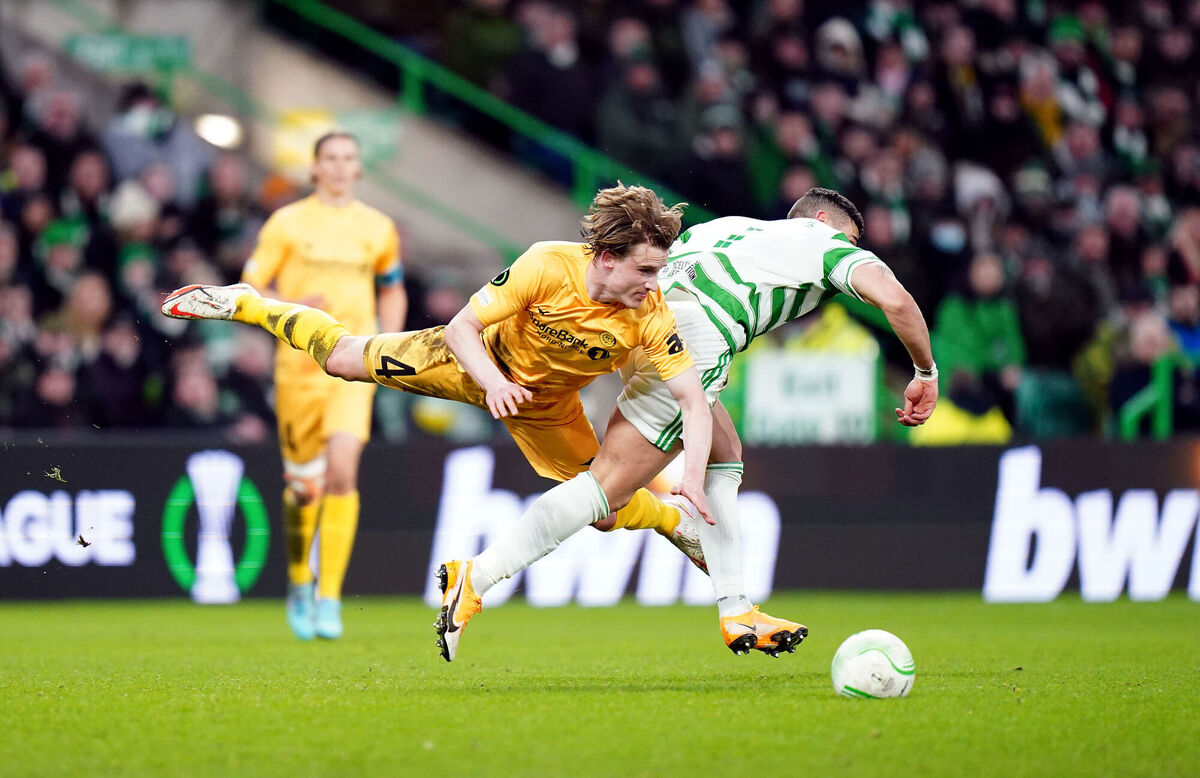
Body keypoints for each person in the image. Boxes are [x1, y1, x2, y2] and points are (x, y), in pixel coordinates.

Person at [160, 184, 717, 636]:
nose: (654, 283)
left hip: (545, 409)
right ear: (605, 258)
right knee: (339, 358)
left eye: (658, 271)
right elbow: (461, 328)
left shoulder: (652, 314)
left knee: (602, 511)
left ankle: (674, 523)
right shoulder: (547, 265)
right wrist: (494, 383)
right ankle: (249, 303)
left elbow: (693, 399)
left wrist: (690, 478)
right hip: (468, 361)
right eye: (645, 270)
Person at [434, 187, 938, 661]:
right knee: (606, 489)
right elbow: (895, 300)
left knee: (727, 451)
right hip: (696, 338)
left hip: (647, 324)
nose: (851, 248)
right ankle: (477, 578)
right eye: (851, 237)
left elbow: (656, 275)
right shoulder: (826, 243)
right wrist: (924, 372)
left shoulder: (731, 228)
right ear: (824, 220)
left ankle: (737, 609)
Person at [239, 131, 406, 640]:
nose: (338, 167)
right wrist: (287, 300)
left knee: (341, 472)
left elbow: (392, 286)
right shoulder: (287, 223)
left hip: (353, 365)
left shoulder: (377, 228)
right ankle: (298, 579)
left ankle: (329, 596)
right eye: (330, 159)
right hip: (297, 370)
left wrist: (388, 343)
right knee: (303, 489)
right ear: (314, 169)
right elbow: (251, 289)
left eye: (348, 159)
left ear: (359, 169)